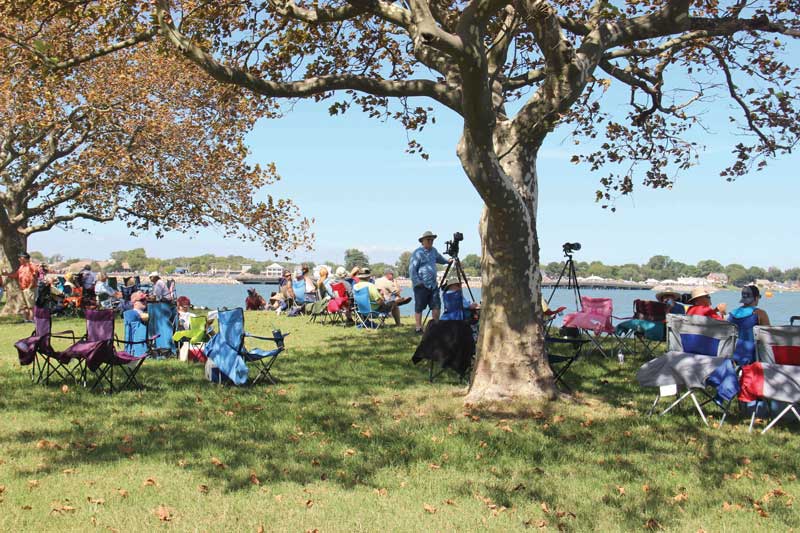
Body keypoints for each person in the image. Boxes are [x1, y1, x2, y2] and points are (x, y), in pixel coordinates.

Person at [409, 230, 451, 333]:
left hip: (433, 284)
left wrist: (447, 261)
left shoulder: (434, 251)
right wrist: (417, 282)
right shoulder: (417, 253)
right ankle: (418, 327)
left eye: (432, 240)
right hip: (421, 285)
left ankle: (435, 326)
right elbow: (412, 269)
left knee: (436, 305)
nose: (430, 241)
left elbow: (440, 259)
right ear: (422, 241)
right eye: (428, 239)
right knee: (419, 306)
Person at [728, 285, 770, 365]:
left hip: (734, 356)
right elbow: (768, 336)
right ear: (756, 298)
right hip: (752, 357)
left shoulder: (732, 314)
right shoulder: (759, 313)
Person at [2, 252, 39, 321]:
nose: (19, 259)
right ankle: (26, 320)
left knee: (30, 306)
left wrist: (30, 287)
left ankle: (31, 319)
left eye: (20, 258)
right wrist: (7, 274)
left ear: (24, 258)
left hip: (30, 289)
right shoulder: (22, 267)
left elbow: (35, 276)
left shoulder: (32, 266)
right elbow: (15, 275)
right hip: (23, 289)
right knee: (24, 306)